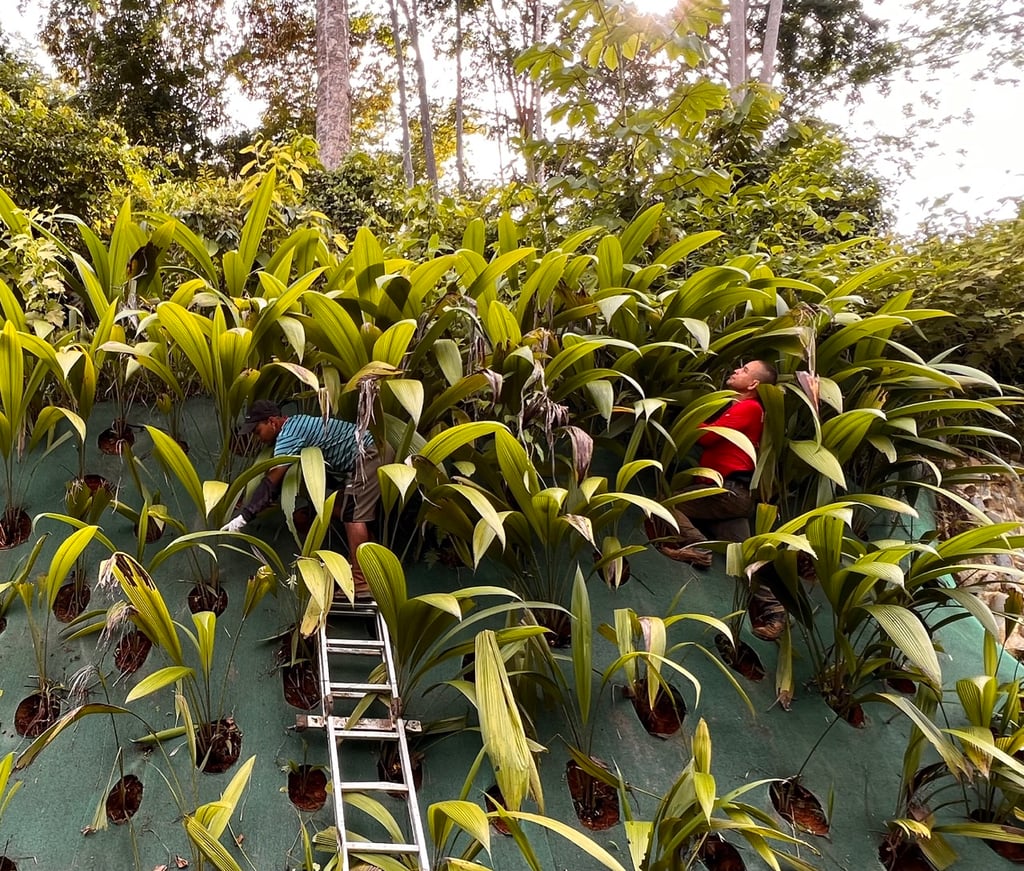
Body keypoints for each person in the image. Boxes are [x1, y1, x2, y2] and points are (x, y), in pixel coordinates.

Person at [220, 400, 382, 598]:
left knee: (353, 516)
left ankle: (361, 581)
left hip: (369, 454)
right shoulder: (297, 423)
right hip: (367, 454)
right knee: (339, 506)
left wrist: (245, 516)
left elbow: (273, 479)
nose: (258, 438)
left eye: (257, 431)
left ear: (272, 422)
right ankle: (367, 551)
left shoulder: (288, 434)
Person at [660, 360, 778, 567]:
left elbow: (707, 437)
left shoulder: (749, 407)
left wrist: (687, 417)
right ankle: (769, 599)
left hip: (726, 493)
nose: (736, 370)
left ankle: (698, 547)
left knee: (665, 505)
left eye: (745, 370)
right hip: (737, 497)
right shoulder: (750, 410)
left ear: (753, 385)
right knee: (744, 557)